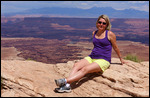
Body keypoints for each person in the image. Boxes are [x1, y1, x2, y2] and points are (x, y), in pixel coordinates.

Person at [54, 15, 125, 93]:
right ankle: (67, 86)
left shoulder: (110, 34)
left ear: (107, 25)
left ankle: (64, 81)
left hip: (103, 59)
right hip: (92, 57)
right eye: (100, 22)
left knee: (85, 69)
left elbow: (115, 47)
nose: (101, 24)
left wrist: (121, 59)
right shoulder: (94, 33)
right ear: (97, 23)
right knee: (76, 65)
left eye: (104, 23)